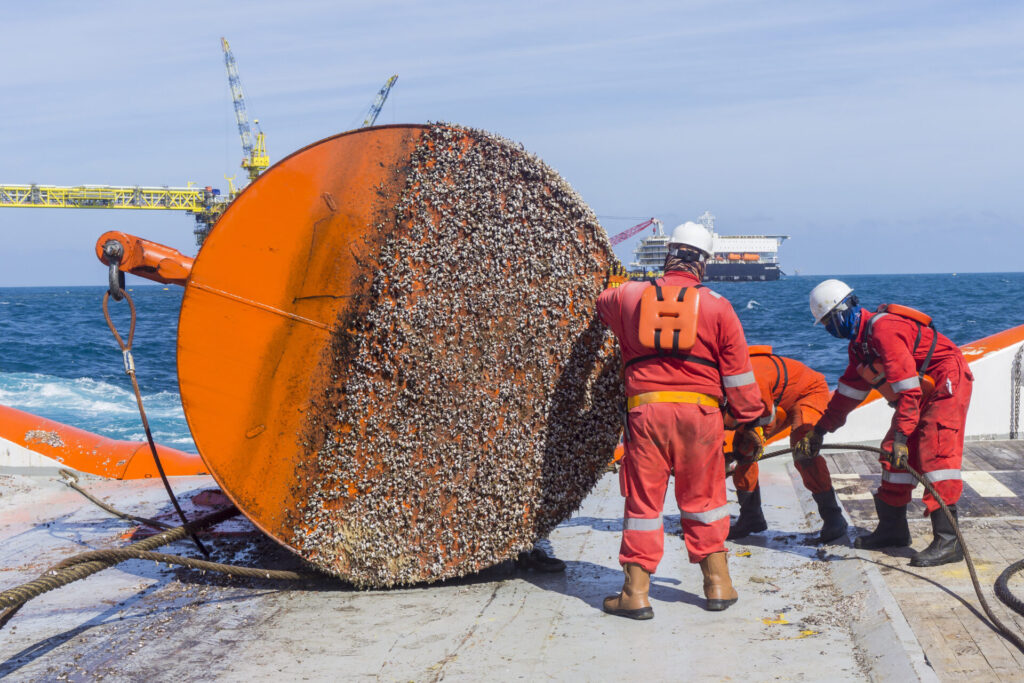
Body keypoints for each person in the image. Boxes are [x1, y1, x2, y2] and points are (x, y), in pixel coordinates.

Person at [596, 221, 764, 619]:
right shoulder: (718, 306)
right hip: (701, 415)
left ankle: (635, 593)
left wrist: (619, 285)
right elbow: (739, 376)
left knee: (643, 504)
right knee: (705, 501)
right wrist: (748, 423)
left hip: (646, 412)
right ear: (702, 263)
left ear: (668, 253)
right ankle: (718, 585)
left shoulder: (629, 297)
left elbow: (602, 302)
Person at [795, 280, 973, 567]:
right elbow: (847, 396)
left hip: (945, 382)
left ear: (844, 311)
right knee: (892, 452)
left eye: (829, 321)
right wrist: (819, 431)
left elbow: (907, 391)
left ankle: (949, 541)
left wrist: (904, 436)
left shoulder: (883, 330)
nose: (829, 329)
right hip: (918, 391)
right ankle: (893, 530)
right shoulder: (860, 347)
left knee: (935, 454)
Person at [726, 347, 847, 544]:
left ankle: (834, 518)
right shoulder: (722, 378)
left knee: (804, 451)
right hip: (777, 401)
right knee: (742, 450)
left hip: (809, 392)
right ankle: (751, 517)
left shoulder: (750, 376)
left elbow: (765, 416)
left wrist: (756, 436)